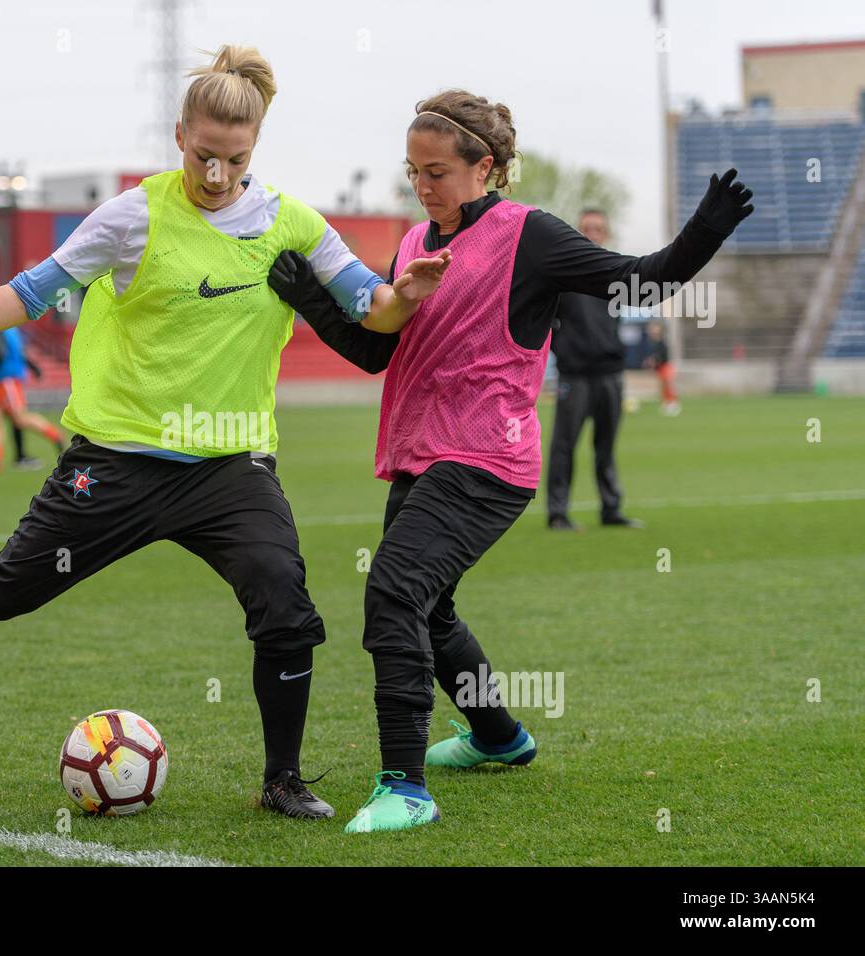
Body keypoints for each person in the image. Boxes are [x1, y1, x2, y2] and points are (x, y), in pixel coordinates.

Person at [0, 45, 447, 819]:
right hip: (116, 463)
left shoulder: (291, 221)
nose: (218, 174)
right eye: (204, 155)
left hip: (230, 468)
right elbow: (28, 295)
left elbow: (374, 309)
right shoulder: (133, 216)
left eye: (236, 158)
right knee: (5, 590)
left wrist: (409, 293)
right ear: (178, 135)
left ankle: (282, 780)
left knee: (286, 608)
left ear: (254, 147)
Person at [269, 89, 753, 832]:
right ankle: (500, 739)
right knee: (431, 612)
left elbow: (644, 281)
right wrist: (310, 298)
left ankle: (405, 788)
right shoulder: (413, 242)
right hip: (422, 457)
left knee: (394, 592)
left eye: (436, 171)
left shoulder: (531, 236)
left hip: (487, 459)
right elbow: (375, 351)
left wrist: (705, 230)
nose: (422, 187)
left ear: (485, 167)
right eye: (413, 172)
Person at [545, 208, 643, 531]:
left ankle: (611, 509)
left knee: (606, 446)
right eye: (587, 228)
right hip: (575, 376)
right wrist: (562, 353)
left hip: (610, 374)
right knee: (564, 446)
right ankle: (558, 512)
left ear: (606, 233)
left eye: (598, 229)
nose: (593, 233)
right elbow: (547, 323)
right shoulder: (562, 276)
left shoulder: (613, 275)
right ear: (579, 231)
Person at [0, 327, 66, 471]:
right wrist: (33, 367)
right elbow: (20, 352)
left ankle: (56, 435)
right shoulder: (10, 329)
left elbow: (0, 353)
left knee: (20, 419)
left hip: (5, 380)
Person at [643, 319, 680, 415]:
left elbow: (661, 355)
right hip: (660, 368)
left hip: (665, 366)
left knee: (668, 385)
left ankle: (673, 403)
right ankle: (666, 402)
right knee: (662, 386)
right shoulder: (652, 342)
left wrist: (654, 360)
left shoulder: (662, 342)